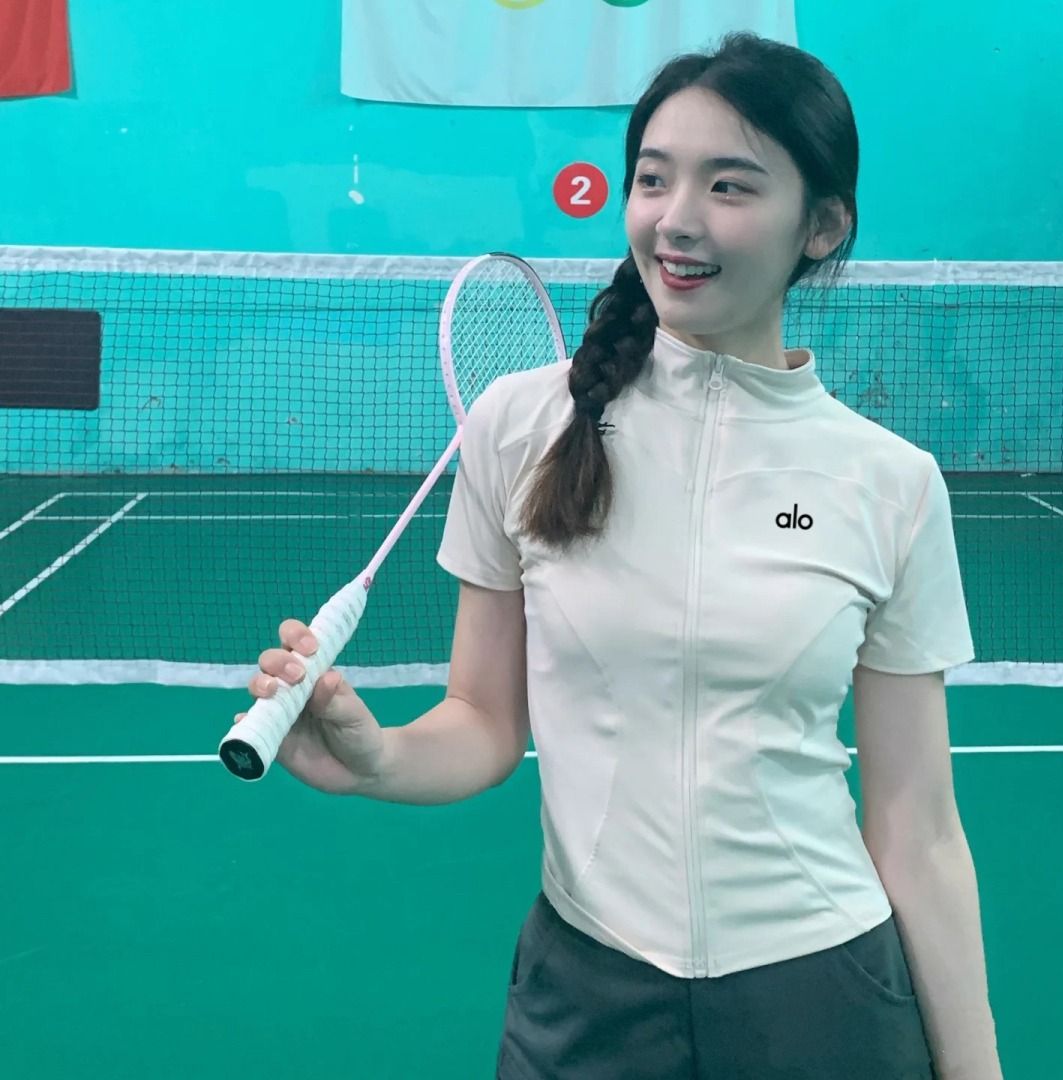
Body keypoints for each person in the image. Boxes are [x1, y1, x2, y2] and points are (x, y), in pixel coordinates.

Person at [240, 31, 1001, 1080]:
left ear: (822, 224)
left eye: (730, 185)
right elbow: (484, 720)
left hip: (821, 994)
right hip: (586, 995)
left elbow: (918, 826)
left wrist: (976, 1069)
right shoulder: (521, 427)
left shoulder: (890, 483)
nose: (676, 218)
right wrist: (380, 760)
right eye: (653, 178)